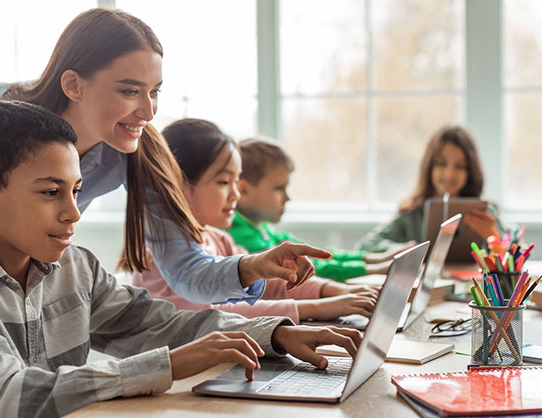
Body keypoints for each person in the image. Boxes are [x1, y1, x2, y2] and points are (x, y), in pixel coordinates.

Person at [0, 101, 362, 418]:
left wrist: (279, 335)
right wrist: (167, 365)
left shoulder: (75, 268)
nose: (72, 212)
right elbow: (7, 399)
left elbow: (165, 325)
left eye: (75, 191)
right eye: (51, 192)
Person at [0, 8, 330, 304]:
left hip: (28, 243)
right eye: (130, 91)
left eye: (155, 92)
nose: (149, 113)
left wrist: (254, 265)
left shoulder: (132, 151)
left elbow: (184, 269)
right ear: (74, 84)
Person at [132, 119, 378, 324]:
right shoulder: (161, 254)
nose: (236, 195)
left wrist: (338, 292)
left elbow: (270, 283)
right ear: (178, 184)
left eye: (236, 183)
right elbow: (209, 316)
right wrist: (315, 308)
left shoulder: (220, 239)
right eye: (223, 182)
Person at [228, 138, 408, 282]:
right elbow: (307, 268)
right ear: (243, 190)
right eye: (278, 188)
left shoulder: (262, 228)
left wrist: (371, 258)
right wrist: (373, 268)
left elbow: (314, 253)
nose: (287, 197)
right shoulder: (237, 234)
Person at [357, 125, 501, 252]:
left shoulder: (484, 213)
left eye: (460, 166)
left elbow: (517, 250)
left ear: (470, 171)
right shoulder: (412, 213)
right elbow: (365, 245)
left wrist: (494, 238)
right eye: (441, 163)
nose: (450, 174)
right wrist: (407, 250)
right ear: (429, 167)